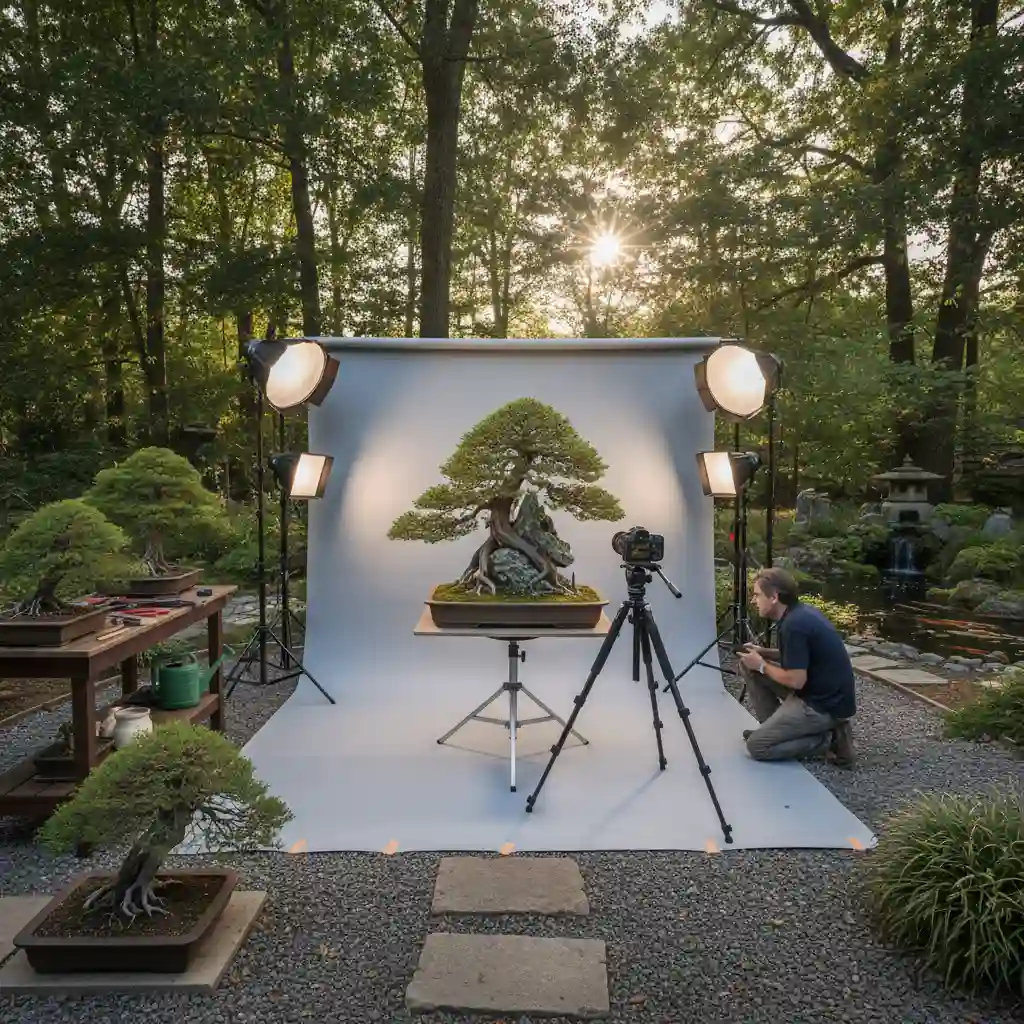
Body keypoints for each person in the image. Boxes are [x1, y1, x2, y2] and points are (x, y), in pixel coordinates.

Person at [737, 567, 856, 767]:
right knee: (748, 666)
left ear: (774, 597)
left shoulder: (794, 625)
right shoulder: (798, 614)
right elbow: (800, 656)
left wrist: (762, 665)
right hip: (818, 693)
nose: (753, 600)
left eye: (757, 595)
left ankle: (829, 740)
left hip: (822, 706)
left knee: (757, 747)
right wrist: (763, 652)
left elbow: (796, 680)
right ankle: (775, 731)